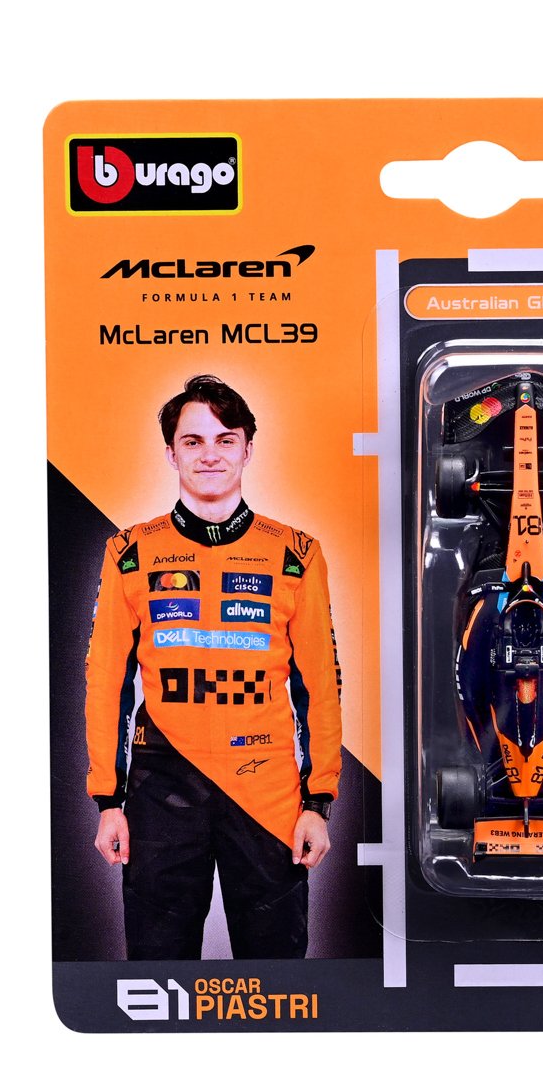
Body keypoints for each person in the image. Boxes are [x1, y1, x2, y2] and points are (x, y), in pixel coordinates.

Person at [85, 374, 341, 959]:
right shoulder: (129, 551)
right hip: (162, 787)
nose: (209, 455)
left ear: (248, 449)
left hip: (267, 788)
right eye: (193, 441)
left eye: (225, 440)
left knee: (277, 979)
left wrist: (318, 802)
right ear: (170, 452)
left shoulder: (297, 553)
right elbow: (105, 683)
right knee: (157, 972)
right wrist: (109, 801)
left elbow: (320, 686)